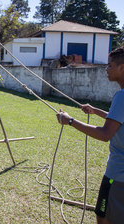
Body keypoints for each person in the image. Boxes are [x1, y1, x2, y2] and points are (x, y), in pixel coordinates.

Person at [56, 46, 124, 224]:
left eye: (110, 65)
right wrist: (96, 111)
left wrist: (70, 121)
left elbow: (105, 134)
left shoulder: (121, 96)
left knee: (103, 217)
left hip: (117, 176)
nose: (106, 69)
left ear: (122, 68)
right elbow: (118, 120)